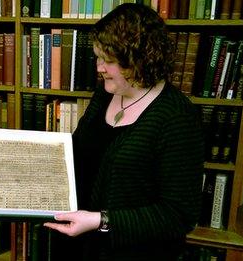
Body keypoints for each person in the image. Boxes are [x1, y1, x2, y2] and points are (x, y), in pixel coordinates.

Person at [43, 3, 204, 260]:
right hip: (78, 243)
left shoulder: (177, 118)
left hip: (132, 253)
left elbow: (178, 215)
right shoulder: (105, 95)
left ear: (139, 59)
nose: (99, 67)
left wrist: (100, 220)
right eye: (98, 57)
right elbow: (80, 153)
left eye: (109, 60)